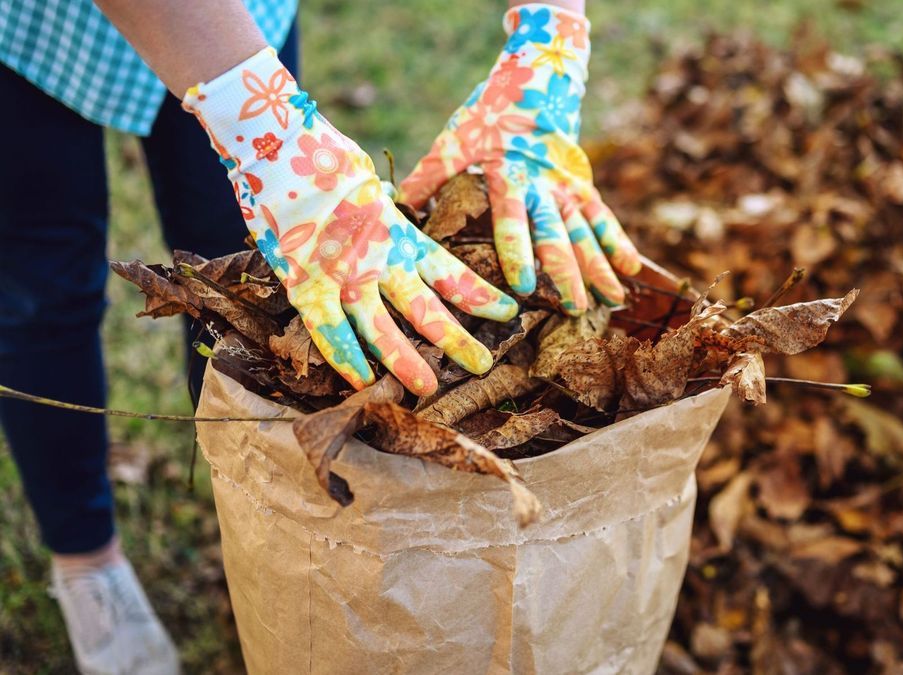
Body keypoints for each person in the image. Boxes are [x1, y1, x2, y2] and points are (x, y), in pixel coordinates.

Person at [0, 0, 640, 671]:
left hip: (236, 17)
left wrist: (550, 32)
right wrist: (259, 118)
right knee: (40, 294)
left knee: (247, 272)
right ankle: (86, 562)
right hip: (36, 33)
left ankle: (248, 520)